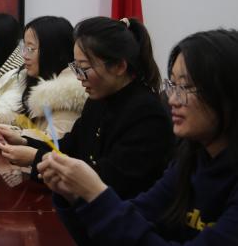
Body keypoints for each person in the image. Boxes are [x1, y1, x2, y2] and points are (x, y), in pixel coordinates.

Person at [38, 29, 238, 245]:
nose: (173, 100)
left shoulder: (146, 113)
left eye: (186, 87)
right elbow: (117, 231)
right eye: (172, 85)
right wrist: (74, 196)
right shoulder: (188, 162)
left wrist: (95, 193)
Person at [0, 16, 174, 244]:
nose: (79, 78)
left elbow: (107, 180)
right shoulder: (98, 100)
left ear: (119, 66)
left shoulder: (146, 113)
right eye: (76, 68)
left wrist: (36, 157)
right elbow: (69, 146)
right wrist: (24, 142)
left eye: (85, 69)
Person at [0, 16, 85, 162]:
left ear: (53, 50)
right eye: (25, 48)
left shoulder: (67, 93)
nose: (24, 55)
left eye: (31, 49)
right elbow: (20, 120)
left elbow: (55, 142)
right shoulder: (35, 81)